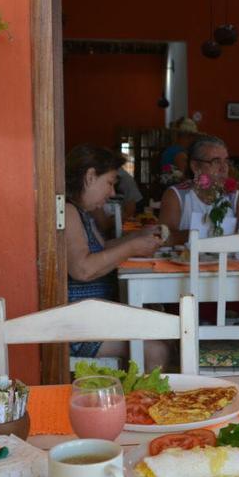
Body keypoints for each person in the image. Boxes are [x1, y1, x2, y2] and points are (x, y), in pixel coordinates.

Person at [65, 145, 169, 368]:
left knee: (167, 330)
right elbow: (83, 269)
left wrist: (138, 236)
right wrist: (131, 248)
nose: (112, 192)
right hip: (77, 327)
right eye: (110, 183)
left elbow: (101, 250)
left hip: (94, 317)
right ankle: (144, 403)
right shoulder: (68, 211)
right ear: (90, 176)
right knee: (157, 349)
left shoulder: (80, 211)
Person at [159, 135, 239, 246]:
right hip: (186, 261)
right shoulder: (177, 195)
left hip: (227, 262)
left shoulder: (236, 198)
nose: (224, 168)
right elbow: (165, 236)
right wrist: (214, 234)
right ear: (195, 166)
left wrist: (209, 235)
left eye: (226, 161)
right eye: (216, 161)